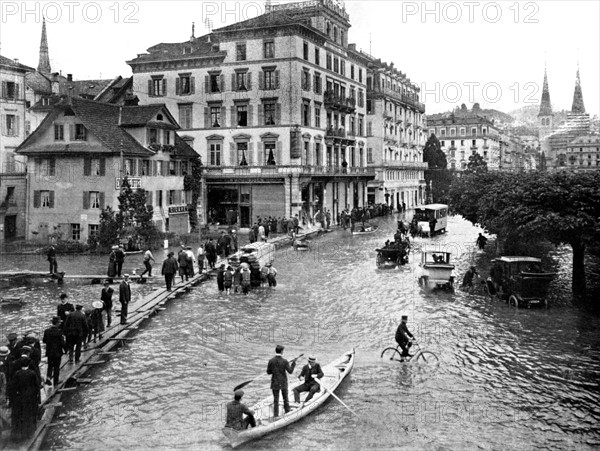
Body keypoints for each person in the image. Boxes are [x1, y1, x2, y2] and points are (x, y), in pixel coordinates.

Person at [8, 357, 39, 441]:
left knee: (19, 415)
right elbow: (37, 386)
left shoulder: (17, 374)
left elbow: (13, 387)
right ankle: (29, 433)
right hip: (30, 398)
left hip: (20, 398)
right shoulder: (32, 373)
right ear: (28, 365)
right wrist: (36, 396)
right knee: (29, 415)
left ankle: (19, 434)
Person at [266, 345, 296, 418]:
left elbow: (268, 372)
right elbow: (290, 371)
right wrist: (293, 363)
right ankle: (287, 411)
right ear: (282, 351)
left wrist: (274, 370)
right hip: (283, 382)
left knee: (276, 400)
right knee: (285, 398)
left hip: (275, 382)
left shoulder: (271, 361)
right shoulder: (285, 361)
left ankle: (276, 415)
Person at [42, 316, 66, 386]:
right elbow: (62, 342)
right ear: (57, 323)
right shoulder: (59, 331)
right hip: (57, 352)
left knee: (50, 365)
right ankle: (56, 381)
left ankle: (48, 377)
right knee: (56, 366)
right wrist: (65, 349)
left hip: (49, 351)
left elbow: (44, 341)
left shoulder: (47, 331)